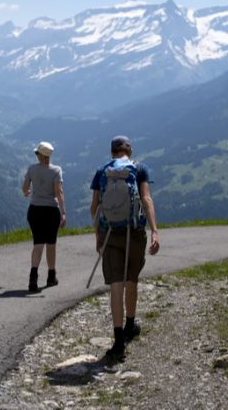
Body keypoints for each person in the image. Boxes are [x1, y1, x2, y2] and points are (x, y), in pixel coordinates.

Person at [89, 135, 160, 361]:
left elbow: (95, 207)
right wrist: (154, 230)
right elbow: (146, 199)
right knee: (132, 280)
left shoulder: (102, 171)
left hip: (110, 234)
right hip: (135, 233)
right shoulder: (139, 168)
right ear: (130, 150)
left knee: (115, 286)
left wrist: (98, 235)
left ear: (112, 152)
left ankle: (118, 342)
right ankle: (131, 325)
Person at [22, 141, 66, 293]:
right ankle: (51, 277)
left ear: (40, 155)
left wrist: (27, 193)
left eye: (37, 153)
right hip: (51, 212)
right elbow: (59, 193)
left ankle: (33, 280)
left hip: (35, 211)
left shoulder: (31, 169)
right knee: (51, 245)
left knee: (38, 245)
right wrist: (63, 212)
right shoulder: (56, 170)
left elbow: (25, 188)